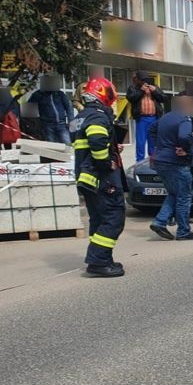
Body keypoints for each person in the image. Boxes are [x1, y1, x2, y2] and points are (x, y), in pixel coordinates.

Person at [71, 77, 126, 277]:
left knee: (99, 218)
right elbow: (96, 140)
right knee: (113, 216)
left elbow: (87, 143)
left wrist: (111, 147)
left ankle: (102, 257)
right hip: (102, 176)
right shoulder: (98, 115)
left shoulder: (80, 117)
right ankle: (99, 261)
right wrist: (105, 162)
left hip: (87, 177)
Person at [148, 95, 193, 241]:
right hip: (176, 163)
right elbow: (185, 137)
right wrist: (184, 150)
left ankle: (160, 222)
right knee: (184, 197)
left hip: (161, 161)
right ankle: (183, 231)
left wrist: (161, 147)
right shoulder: (184, 119)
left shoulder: (166, 117)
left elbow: (152, 130)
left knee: (174, 193)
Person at [125, 70, 167, 162]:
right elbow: (131, 98)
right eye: (143, 80)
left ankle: (153, 161)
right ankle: (139, 161)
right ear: (138, 80)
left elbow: (163, 98)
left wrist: (155, 91)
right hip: (142, 119)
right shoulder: (133, 88)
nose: (145, 82)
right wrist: (141, 91)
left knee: (153, 141)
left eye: (146, 80)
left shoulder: (154, 87)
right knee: (141, 142)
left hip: (154, 118)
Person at [28, 75, 74, 144]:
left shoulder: (59, 94)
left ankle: (71, 155)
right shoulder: (37, 95)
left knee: (68, 143)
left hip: (61, 124)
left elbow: (68, 107)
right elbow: (28, 110)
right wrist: (35, 124)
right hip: (47, 126)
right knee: (51, 146)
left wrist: (71, 121)